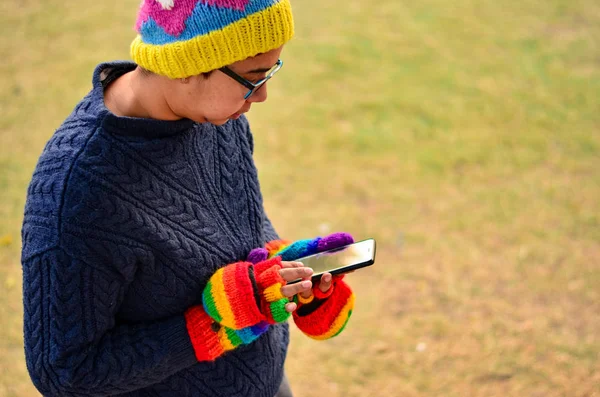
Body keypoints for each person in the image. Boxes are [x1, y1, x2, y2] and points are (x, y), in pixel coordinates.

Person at [20, 0, 356, 396]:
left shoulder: (214, 113)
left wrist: (287, 271)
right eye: (253, 77)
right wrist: (216, 326)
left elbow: (237, 229)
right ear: (189, 65)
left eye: (270, 71)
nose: (261, 95)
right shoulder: (78, 191)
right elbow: (64, 371)